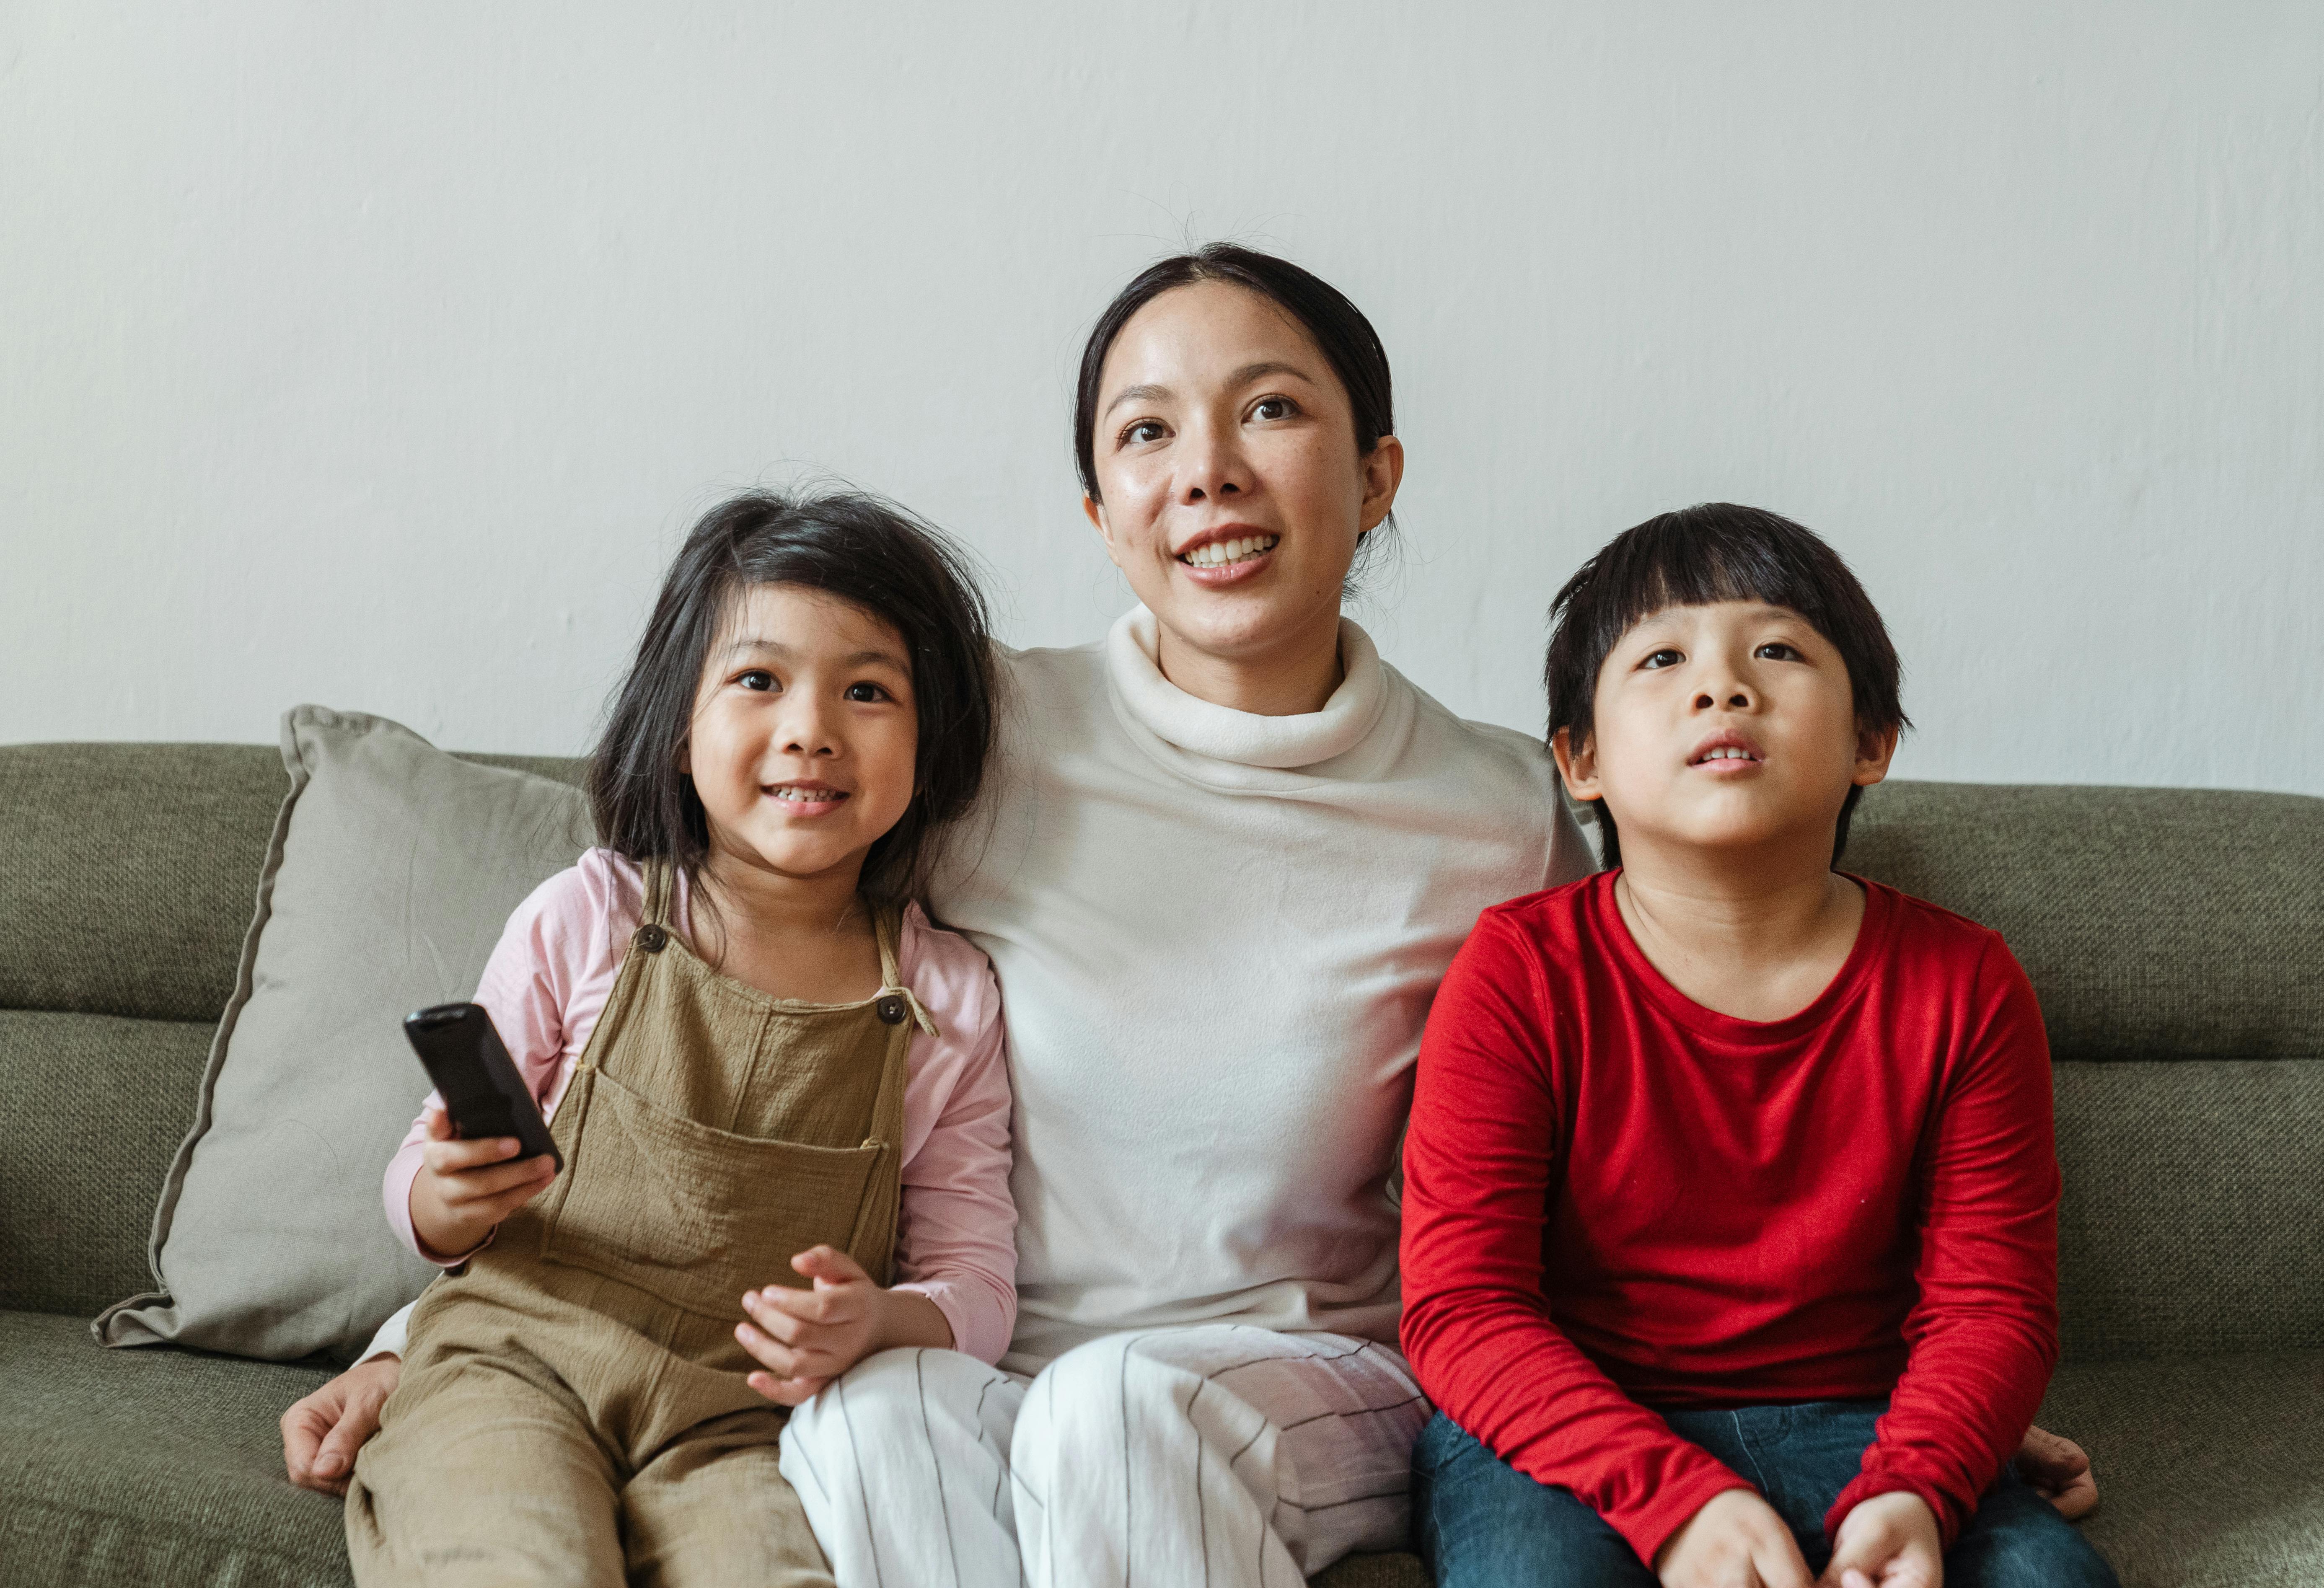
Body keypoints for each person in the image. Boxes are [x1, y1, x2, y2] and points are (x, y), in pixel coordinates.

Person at [283, 249, 2096, 1585]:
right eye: (1148, 432)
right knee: (859, 1422)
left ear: (1376, 476)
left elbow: (1660, 1139)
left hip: (1310, 1372)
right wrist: (417, 1344)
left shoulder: (1501, 803)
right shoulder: (969, 735)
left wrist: (1888, 1435)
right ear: (1099, 507)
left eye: (1273, 412)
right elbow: (687, 1008)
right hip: (984, 1357)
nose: (1209, 469)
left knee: (1121, 1412)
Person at [1400, 505, 2118, 1588]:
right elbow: (1463, 1310)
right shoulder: (1520, 973)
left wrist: (1917, 1483)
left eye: (1776, 650)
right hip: (1574, 1436)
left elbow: (1991, 1308)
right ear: (1579, 758)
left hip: (1868, 1430)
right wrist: (1677, 1503)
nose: (1722, 686)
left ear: (1871, 742)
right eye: (1661, 658)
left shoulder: (1964, 984)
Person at [340, 490, 1017, 1588]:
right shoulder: (589, 915)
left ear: (934, 746)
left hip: (739, 1433)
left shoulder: (950, 996)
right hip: (512, 1366)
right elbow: (422, 1174)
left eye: (868, 690)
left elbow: (979, 1282)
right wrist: (442, 1200)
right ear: (680, 722)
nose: (812, 728)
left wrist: (882, 1320)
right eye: (759, 680)